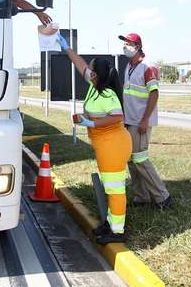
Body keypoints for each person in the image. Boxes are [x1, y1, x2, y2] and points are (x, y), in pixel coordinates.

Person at [57, 34, 132, 244]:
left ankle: (117, 232)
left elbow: (118, 115)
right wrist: (67, 48)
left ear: (97, 74)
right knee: (110, 187)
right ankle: (110, 224)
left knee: (115, 189)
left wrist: (90, 124)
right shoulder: (94, 84)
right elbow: (80, 64)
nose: (88, 70)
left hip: (113, 145)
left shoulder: (107, 94)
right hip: (105, 145)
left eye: (92, 69)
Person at [118, 33, 172, 209]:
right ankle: (141, 196)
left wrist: (144, 120)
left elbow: (154, 93)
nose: (125, 46)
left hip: (141, 121)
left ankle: (162, 197)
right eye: (124, 43)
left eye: (129, 43)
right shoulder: (129, 66)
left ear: (138, 46)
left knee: (140, 159)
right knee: (131, 159)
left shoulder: (148, 67)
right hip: (129, 121)